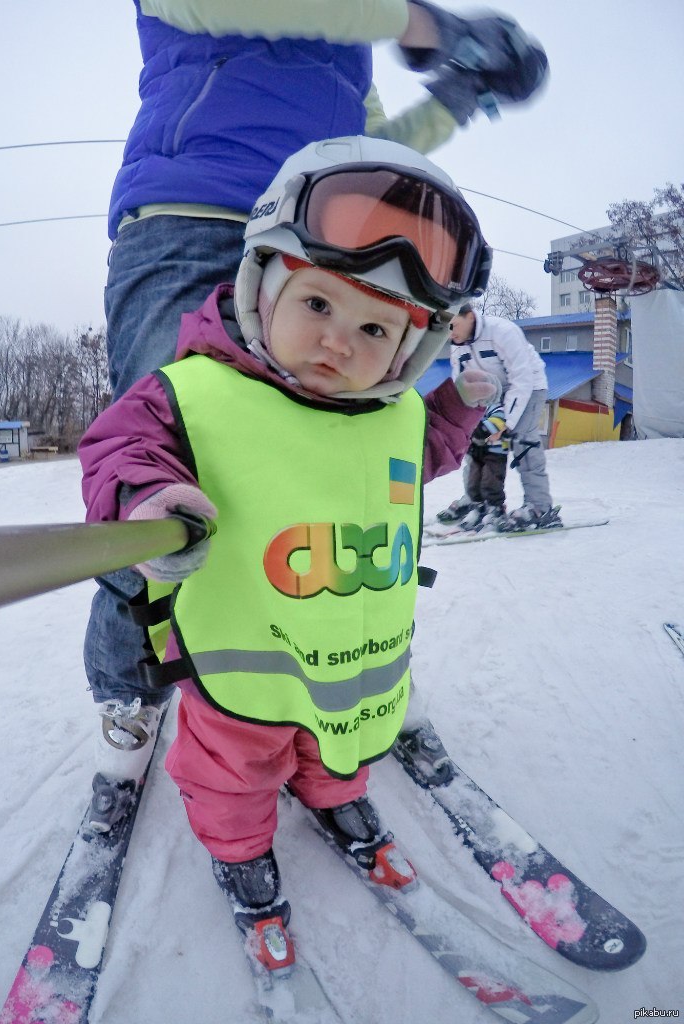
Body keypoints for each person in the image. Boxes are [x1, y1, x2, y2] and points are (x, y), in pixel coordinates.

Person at [85, 0, 549, 832]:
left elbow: (368, 153)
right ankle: (133, 688)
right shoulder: (351, 14)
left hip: (329, 239)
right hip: (199, 219)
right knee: (165, 465)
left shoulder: (354, 52)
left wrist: (455, 95)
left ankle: (342, 673)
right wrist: (431, 28)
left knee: (351, 474)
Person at [79, 136, 500, 953]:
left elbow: (418, 467)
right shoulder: (195, 391)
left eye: (376, 327)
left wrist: (452, 411)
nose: (340, 341)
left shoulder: (393, 414)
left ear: (410, 349)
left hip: (353, 664)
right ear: (261, 281)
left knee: (342, 748)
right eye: (317, 305)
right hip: (239, 665)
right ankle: (240, 856)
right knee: (230, 777)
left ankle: (336, 796)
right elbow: (119, 451)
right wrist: (149, 502)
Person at [444, 303, 563, 530]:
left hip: (528, 387)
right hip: (491, 392)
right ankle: (475, 499)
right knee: (476, 443)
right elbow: (463, 383)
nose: (450, 333)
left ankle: (539, 506)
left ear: (469, 316)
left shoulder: (502, 332)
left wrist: (505, 422)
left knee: (523, 440)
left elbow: (522, 377)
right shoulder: (457, 345)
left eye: (454, 325)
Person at [450, 401, 510, 531]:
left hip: (495, 452)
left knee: (491, 481)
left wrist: (483, 428)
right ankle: (478, 508)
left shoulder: (493, 405)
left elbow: (499, 419)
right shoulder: (471, 407)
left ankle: (496, 510)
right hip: (477, 451)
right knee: (473, 481)